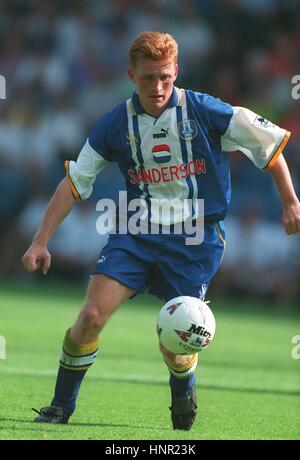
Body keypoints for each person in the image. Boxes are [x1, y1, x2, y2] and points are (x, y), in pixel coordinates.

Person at [22, 31, 300, 431]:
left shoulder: (207, 111)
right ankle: (60, 406)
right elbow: (73, 183)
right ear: (131, 74)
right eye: (149, 77)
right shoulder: (115, 124)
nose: (158, 87)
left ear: (176, 72)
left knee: (175, 341)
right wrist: (40, 239)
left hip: (195, 239)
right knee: (90, 316)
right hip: (136, 231)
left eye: (166, 77)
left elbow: (269, 149)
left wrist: (290, 201)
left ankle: (182, 381)